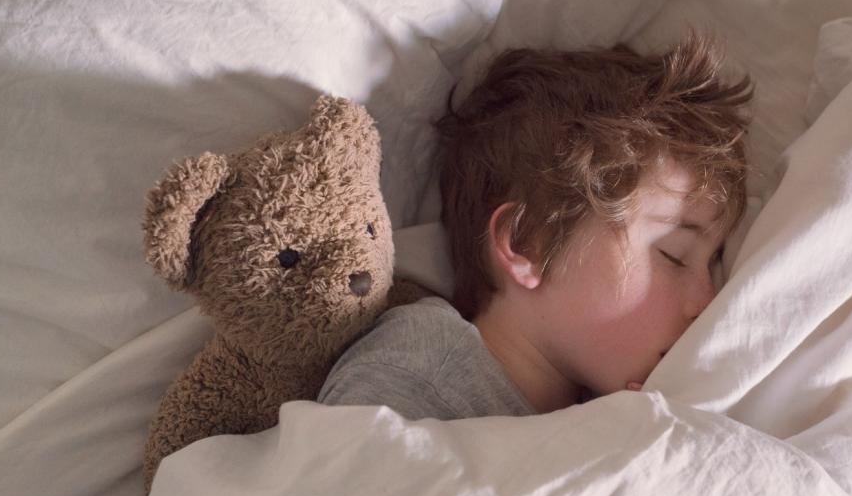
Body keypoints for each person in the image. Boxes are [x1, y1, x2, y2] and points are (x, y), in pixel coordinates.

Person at [317, 30, 753, 420]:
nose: (707, 302)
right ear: (530, 242)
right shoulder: (421, 370)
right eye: (674, 255)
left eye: (711, 263)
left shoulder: (593, 414)